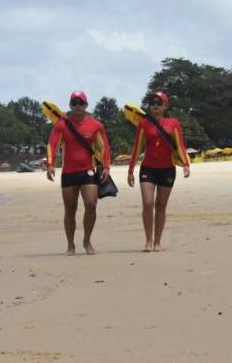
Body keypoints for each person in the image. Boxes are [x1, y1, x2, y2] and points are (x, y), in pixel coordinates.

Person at [46, 91, 111, 255]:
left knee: (91, 205)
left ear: (86, 105)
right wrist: (50, 164)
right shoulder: (61, 125)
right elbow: (52, 144)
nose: (77, 106)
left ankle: (87, 240)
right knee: (70, 209)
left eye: (80, 102)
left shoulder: (96, 125)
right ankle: (70, 245)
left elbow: (104, 148)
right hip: (68, 172)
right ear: (70, 105)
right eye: (74, 103)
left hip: (88, 171)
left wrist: (106, 167)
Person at [127, 91, 191, 252]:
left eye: (158, 102)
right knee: (148, 203)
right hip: (148, 168)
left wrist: (185, 164)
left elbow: (180, 144)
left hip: (167, 169)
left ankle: (157, 242)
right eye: (152, 102)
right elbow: (137, 147)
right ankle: (148, 240)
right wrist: (130, 170)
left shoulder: (173, 123)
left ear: (165, 105)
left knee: (161, 205)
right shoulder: (144, 124)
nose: (155, 105)